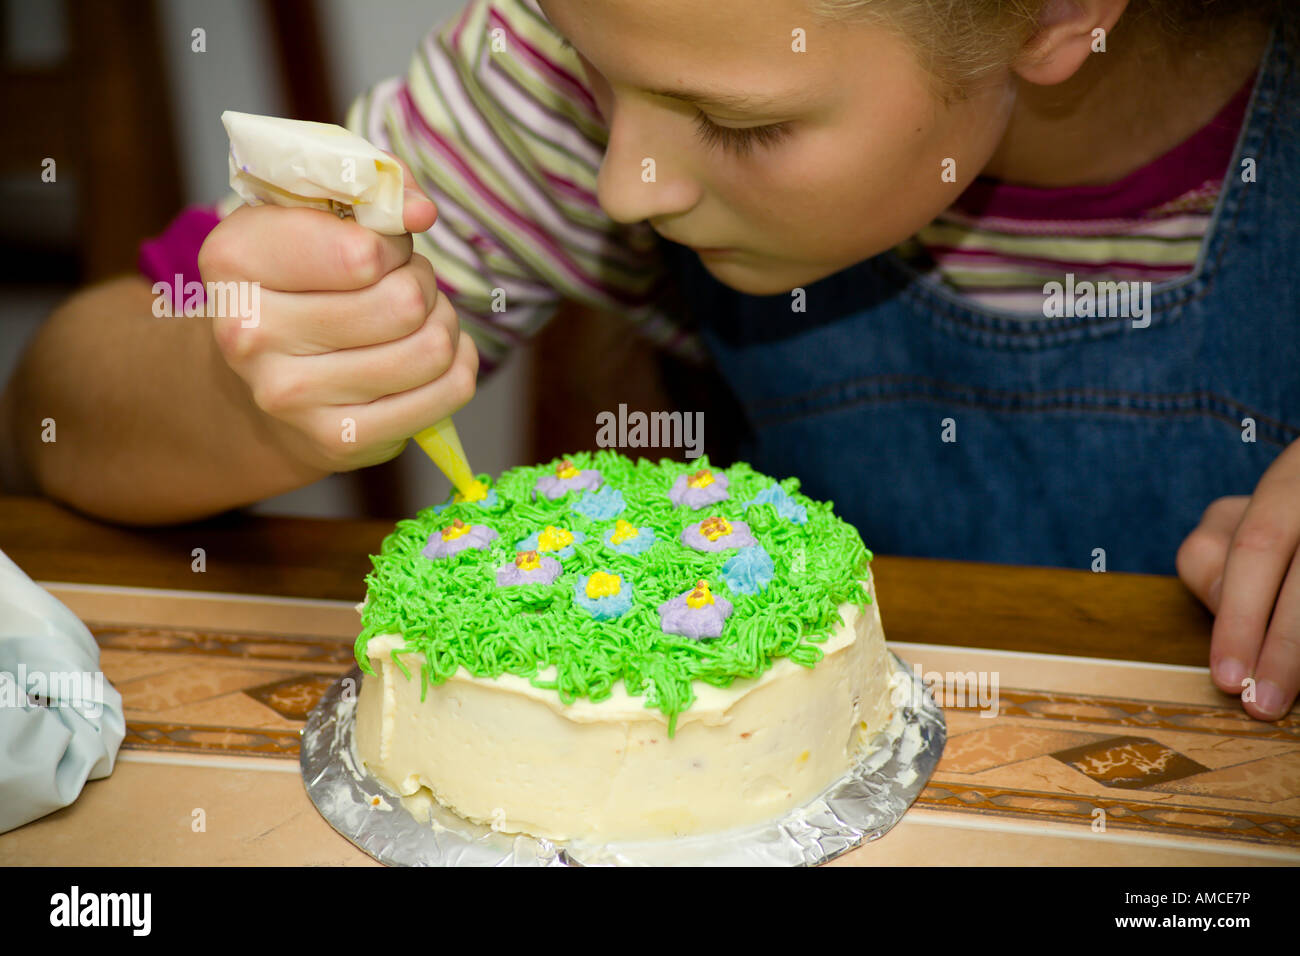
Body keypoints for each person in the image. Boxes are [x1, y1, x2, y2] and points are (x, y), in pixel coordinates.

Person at [3, 0, 1296, 722]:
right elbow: (50, 417)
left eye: (746, 123)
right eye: (592, 68)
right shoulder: (578, 71)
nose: (627, 183)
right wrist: (251, 383)